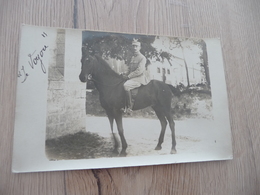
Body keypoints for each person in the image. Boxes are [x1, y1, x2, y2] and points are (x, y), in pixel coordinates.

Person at [122, 39, 149, 111]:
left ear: (140, 47)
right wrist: (124, 74)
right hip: (132, 78)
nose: (135, 48)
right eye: (133, 46)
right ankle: (122, 105)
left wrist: (128, 76)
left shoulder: (142, 58)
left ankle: (129, 107)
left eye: (136, 46)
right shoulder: (133, 57)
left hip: (139, 79)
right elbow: (129, 69)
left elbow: (139, 71)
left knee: (126, 85)